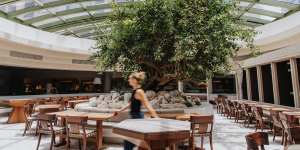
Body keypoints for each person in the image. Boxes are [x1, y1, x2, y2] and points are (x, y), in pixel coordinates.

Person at [113, 72, 158, 150]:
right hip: (134, 119)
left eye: (129, 78)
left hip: (137, 119)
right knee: (130, 141)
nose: (128, 80)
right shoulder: (134, 90)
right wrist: (119, 111)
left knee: (130, 141)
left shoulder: (139, 92)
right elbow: (130, 104)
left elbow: (147, 105)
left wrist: (156, 117)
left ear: (134, 80)